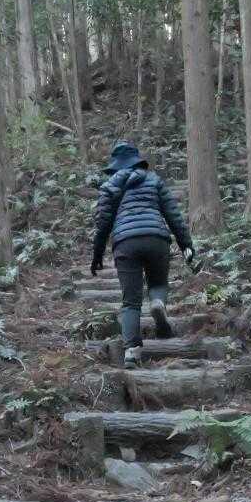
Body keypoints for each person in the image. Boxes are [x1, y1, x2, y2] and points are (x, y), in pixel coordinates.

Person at [91, 141, 195, 367]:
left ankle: (132, 352)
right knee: (158, 282)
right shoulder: (154, 180)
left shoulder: (109, 187)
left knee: (130, 301)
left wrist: (97, 255)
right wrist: (186, 244)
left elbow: (102, 224)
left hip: (125, 243)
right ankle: (157, 302)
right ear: (138, 162)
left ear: (116, 166)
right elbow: (173, 215)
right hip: (156, 239)